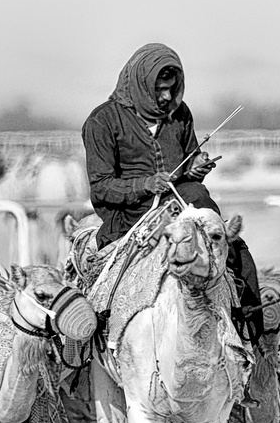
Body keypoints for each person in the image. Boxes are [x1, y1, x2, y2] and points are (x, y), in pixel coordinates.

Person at [81, 43, 266, 342]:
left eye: (172, 88)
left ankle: (250, 332)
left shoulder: (180, 114)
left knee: (237, 251)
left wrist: (196, 166)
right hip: (132, 216)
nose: (167, 97)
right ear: (141, 84)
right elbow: (101, 187)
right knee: (100, 288)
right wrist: (144, 184)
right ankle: (93, 340)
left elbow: (189, 158)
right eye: (160, 90)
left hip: (186, 205)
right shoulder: (102, 121)